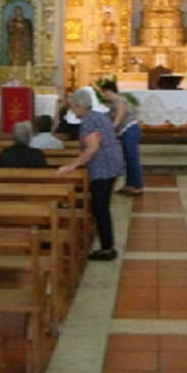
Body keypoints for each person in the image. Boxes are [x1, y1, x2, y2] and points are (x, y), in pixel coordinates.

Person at [57, 87, 125, 261]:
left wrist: (70, 166)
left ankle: (107, 248)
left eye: (73, 107)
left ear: (81, 106)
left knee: (100, 208)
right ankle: (107, 245)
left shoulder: (88, 121)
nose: (72, 110)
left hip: (103, 167)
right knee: (102, 207)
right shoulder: (99, 116)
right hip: (112, 162)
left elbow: (92, 148)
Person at [100, 80, 143, 196]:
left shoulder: (120, 100)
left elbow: (120, 116)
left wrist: (111, 129)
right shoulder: (112, 103)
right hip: (124, 131)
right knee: (127, 159)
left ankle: (138, 185)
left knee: (132, 158)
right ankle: (129, 184)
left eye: (104, 93)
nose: (104, 96)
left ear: (109, 91)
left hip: (130, 129)